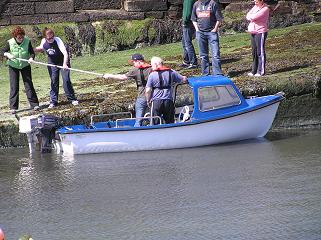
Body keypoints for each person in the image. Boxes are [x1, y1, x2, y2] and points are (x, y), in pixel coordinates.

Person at [103, 53, 152, 126]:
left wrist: (109, 75)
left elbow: (122, 77)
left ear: (138, 61)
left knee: (138, 121)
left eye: (133, 62)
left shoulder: (135, 70)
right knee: (154, 117)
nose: (133, 64)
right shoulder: (152, 68)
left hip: (142, 97)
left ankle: (137, 131)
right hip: (153, 96)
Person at [35, 27, 78, 108]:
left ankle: (72, 99)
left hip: (63, 61)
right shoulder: (43, 41)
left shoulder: (57, 40)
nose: (51, 39)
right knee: (54, 81)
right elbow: (41, 48)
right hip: (52, 63)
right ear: (45, 37)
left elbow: (65, 53)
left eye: (52, 37)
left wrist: (65, 64)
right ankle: (53, 101)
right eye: (49, 38)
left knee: (66, 80)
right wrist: (32, 49)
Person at [1, 26, 39, 114]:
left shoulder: (27, 41)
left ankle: (34, 104)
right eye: (19, 38)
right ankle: (13, 107)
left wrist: (31, 58)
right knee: (14, 86)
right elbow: (1, 51)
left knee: (28, 84)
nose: (21, 39)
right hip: (13, 66)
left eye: (22, 37)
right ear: (15, 36)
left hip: (25, 66)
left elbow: (32, 53)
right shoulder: (10, 42)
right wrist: (6, 54)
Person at [145, 56, 187, 124]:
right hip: (168, 101)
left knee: (155, 122)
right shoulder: (171, 72)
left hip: (156, 101)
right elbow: (183, 79)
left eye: (152, 65)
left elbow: (148, 90)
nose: (151, 67)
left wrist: (148, 100)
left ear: (156, 64)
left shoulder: (152, 75)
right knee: (170, 122)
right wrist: (185, 78)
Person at [191, 0, 224, 76]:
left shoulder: (213, 3)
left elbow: (219, 18)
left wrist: (215, 29)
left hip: (211, 33)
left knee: (215, 54)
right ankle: (205, 73)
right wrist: (197, 29)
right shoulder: (196, 4)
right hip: (200, 33)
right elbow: (193, 18)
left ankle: (218, 74)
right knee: (203, 55)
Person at [246, 0, 272, 77]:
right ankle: (254, 70)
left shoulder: (265, 9)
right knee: (254, 52)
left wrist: (251, 17)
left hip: (260, 32)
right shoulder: (255, 7)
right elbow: (247, 15)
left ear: (261, 1)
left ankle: (261, 71)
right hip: (252, 31)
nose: (255, 2)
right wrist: (251, 17)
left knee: (260, 51)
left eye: (257, 1)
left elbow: (254, 17)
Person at [180, 0, 198, 69]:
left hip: (188, 23)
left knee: (187, 43)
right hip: (190, 21)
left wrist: (185, 21)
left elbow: (188, 11)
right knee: (184, 42)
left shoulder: (188, 0)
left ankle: (193, 62)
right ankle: (186, 61)